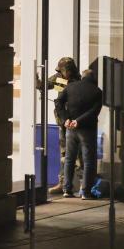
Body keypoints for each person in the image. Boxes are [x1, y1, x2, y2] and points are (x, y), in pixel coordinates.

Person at [54, 69, 103, 200]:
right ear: (93, 78)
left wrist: (66, 120)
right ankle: (86, 192)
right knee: (88, 161)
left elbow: (58, 102)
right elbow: (94, 111)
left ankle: (67, 189)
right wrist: (78, 121)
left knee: (69, 159)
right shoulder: (97, 91)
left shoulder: (70, 87)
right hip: (87, 129)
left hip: (70, 129)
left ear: (82, 76)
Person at [39, 57, 81, 195]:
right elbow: (43, 85)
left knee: (78, 156)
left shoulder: (79, 82)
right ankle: (63, 183)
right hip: (63, 122)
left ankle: (83, 185)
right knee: (64, 154)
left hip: (75, 124)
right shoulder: (60, 78)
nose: (61, 74)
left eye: (63, 71)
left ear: (68, 70)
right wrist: (37, 79)